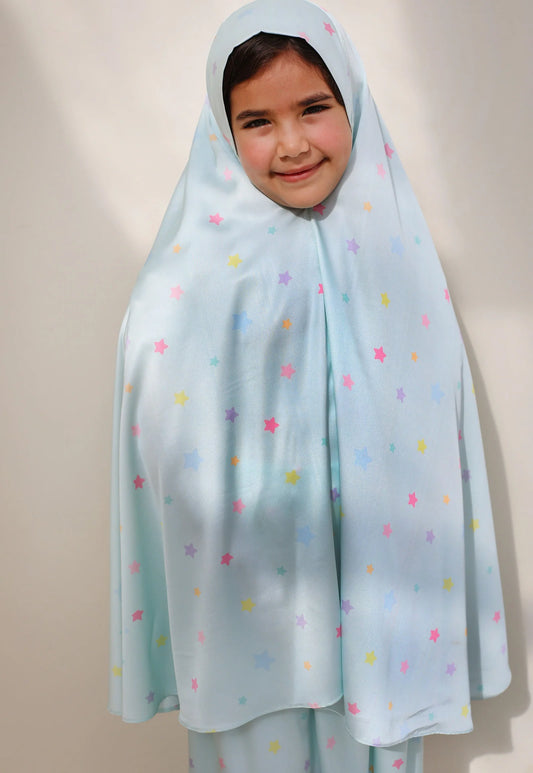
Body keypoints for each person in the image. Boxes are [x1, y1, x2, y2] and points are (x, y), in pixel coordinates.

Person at [108, 1, 511, 771]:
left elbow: (432, 441)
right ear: (223, 130)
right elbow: (164, 455)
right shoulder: (182, 283)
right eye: (257, 121)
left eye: (314, 108)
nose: (292, 143)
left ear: (351, 100)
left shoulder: (398, 254)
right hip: (248, 616)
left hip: (380, 607)